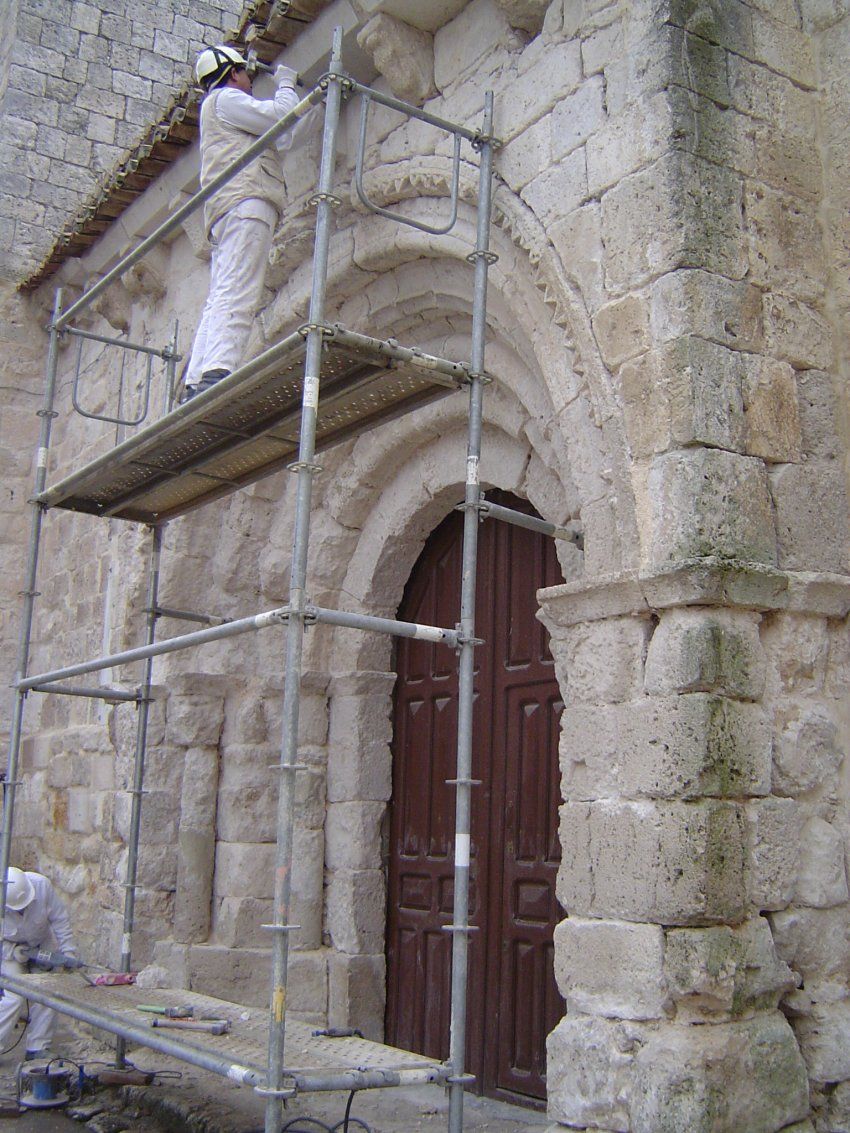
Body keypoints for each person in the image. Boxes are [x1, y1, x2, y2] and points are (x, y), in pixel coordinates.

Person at [182, 45, 301, 401]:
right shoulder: (225, 100)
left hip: (228, 210)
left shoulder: (219, 110)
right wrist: (286, 84)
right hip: (247, 203)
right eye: (245, 73)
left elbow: (284, 134)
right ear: (233, 73)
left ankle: (196, 378)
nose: (250, 80)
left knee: (221, 293)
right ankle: (218, 371)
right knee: (240, 289)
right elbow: (283, 115)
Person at [0, 867, 77, 1059]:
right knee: (14, 997)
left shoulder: (41, 886)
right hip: (11, 949)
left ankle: (37, 1047)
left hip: (41, 944)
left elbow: (60, 920)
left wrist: (68, 952)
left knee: (47, 992)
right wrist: (13, 951)